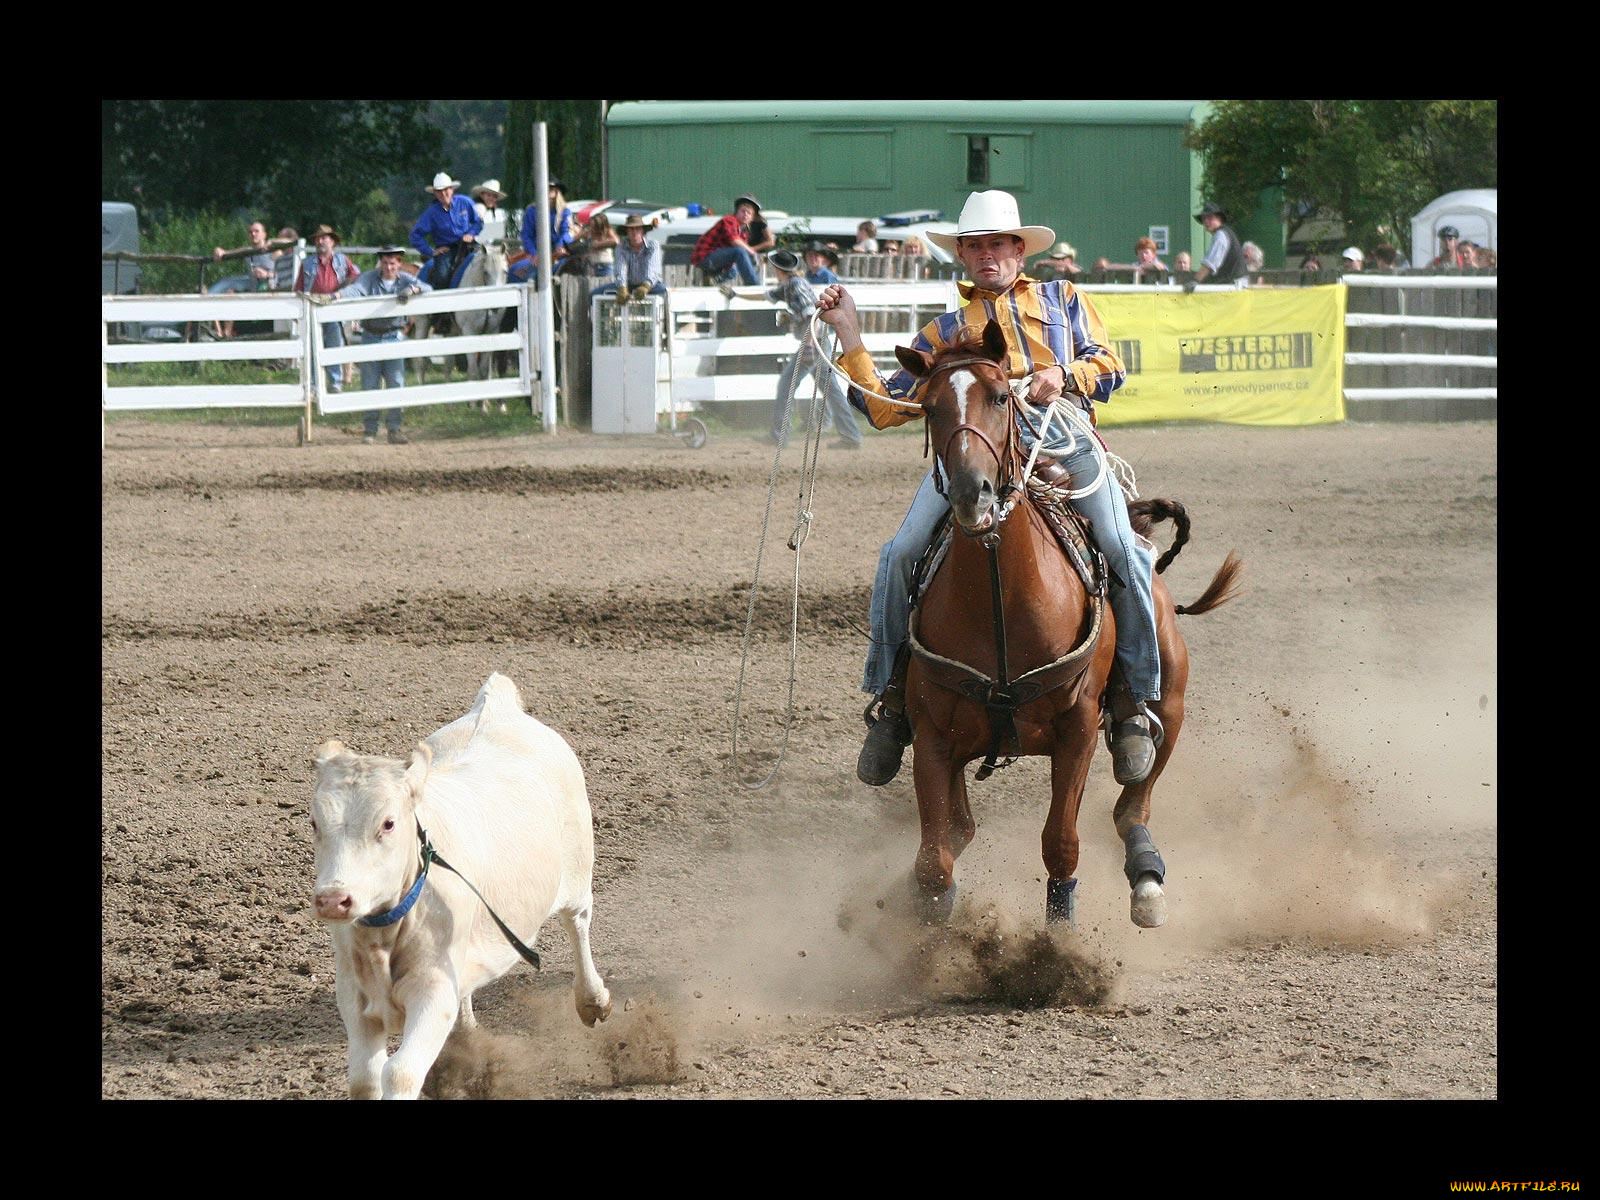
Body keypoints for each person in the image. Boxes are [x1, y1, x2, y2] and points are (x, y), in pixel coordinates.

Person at [816, 189, 1160, 788]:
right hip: (974, 451)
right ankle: (893, 702)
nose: (986, 255)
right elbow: (885, 409)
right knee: (899, 555)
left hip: (1061, 439)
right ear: (964, 256)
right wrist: (849, 336)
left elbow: (1110, 363)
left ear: (1019, 250)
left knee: (1122, 545)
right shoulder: (945, 331)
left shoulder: (1065, 300)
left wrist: (1063, 372)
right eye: (974, 246)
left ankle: (1132, 699)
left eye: (997, 243)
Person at [328, 246, 432, 444]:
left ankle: (394, 428)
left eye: (392, 263)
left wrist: (412, 290)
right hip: (371, 335)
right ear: (380, 263)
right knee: (370, 384)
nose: (389, 267)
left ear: (399, 264)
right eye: (385, 262)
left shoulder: (405, 279)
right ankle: (370, 429)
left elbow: (427, 288)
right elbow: (355, 289)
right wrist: (337, 296)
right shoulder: (369, 278)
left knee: (396, 383)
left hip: (394, 335)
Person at [765, 248, 860, 451]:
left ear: (776, 268)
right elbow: (767, 295)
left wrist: (809, 344)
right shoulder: (790, 284)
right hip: (820, 341)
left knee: (786, 384)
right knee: (831, 390)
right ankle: (851, 435)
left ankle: (779, 435)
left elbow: (811, 315)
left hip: (813, 342)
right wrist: (736, 294)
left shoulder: (795, 286)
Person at [294, 224, 361, 395]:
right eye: (318, 238)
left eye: (324, 238)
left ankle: (335, 382)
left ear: (332, 242)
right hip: (313, 305)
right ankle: (314, 384)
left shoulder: (342, 260)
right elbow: (299, 288)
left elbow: (356, 276)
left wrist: (343, 290)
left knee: (334, 345)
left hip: (334, 307)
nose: (320, 241)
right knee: (312, 347)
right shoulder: (307, 263)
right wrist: (298, 310)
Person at [410, 172, 482, 291]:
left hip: (469, 244)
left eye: (446, 189)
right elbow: (415, 235)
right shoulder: (431, 212)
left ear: (452, 189)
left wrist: (471, 233)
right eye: (439, 191)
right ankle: (443, 306)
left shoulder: (465, 202)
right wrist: (431, 251)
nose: (443, 193)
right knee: (442, 277)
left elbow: (478, 222)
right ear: (435, 194)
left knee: (489, 262)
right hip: (447, 250)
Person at [209, 219, 278, 338]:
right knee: (227, 290)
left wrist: (267, 274)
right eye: (251, 232)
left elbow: (283, 272)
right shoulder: (248, 252)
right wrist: (220, 251)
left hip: (271, 292)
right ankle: (224, 333)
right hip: (253, 291)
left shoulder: (274, 251)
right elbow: (232, 252)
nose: (253, 234)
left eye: (257, 231)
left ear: (264, 234)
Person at [690, 193, 763, 291]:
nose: (745, 214)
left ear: (752, 218)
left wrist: (752, 259)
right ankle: (754, 287)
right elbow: (734, 240)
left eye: (749, 213)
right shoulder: (729, 220)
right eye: (743, 211)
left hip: (717, 261)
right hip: (704, 257)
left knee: (734, 270)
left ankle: (713, 281)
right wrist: (751, 252)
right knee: (740, 252)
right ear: (736, 212)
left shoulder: (744, 233)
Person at [509, 179, 576, 283]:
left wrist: (560, 244)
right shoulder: (531, 211)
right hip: (536, 254)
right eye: (544, 188)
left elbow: (566, 232)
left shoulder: (564, 212)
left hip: (558, 254)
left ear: (557, 191)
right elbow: (527, 235)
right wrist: (534, 253)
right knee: (516, 272)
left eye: (550, 188)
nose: (546, 191)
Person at [594, 214, 667, 301]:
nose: (634, 232)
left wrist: (646, 286)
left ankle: (662, 315)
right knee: (594, 294)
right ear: (627, 232)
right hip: (628, 285)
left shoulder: (653, 245)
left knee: (663, 290)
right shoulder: (621, 247)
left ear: (643, 231)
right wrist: (622, 288)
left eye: (637, 229)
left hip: (651, 286)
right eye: (631, 229)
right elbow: (621, 269)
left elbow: (653, 269)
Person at [1185, 201, 1247, 291]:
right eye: (1204, 219)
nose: (1206, 221)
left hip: (1233, 286)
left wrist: (1195, 281)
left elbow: (1210, 263)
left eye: (1210, 218)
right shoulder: (1225, 233)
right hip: (1233, 285)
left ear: (1219, 219)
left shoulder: (1221, 235)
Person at [470, 179, 511, 244]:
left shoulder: (495, 213)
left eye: (494, 196)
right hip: (474, 248)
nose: (491, 198)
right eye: (488, 195)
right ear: (481, 195)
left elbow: (494, 235)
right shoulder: (478, 208)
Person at [272, 226, 301, 292]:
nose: (278, 242)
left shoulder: (297, 256)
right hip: (282, 293)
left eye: (280, 239)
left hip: (294, 293)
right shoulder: (279, 258)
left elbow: (293, 241)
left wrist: (271, 241)